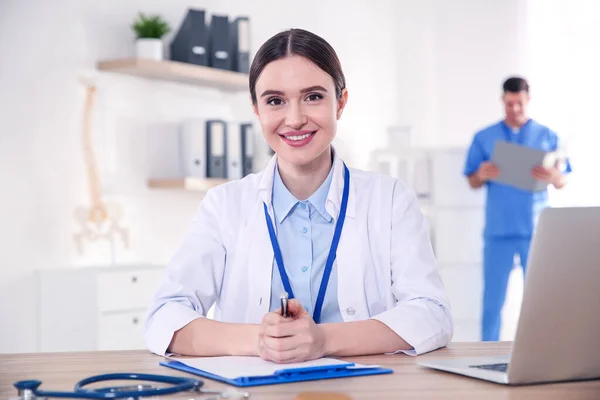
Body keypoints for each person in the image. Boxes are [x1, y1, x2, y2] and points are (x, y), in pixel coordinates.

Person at [145, 28, 453, 363]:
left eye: (313, 97)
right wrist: (260, 340)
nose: (294, 120)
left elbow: (432, 314)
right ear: (256, 109)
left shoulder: (390, 200)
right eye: (275, 101)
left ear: (341, 102)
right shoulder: (224, 206)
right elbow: (164, 317)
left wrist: (322, 340)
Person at [463, 77, 572, 342]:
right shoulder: (484, 137)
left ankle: (545, 349)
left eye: (519, 104)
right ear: (503, 101)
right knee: (492, 301)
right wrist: (482, 173)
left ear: (528, 101)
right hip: (498, 231)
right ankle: (486, 352)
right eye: (510, 104)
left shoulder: (548, 136)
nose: (514, 109)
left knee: (541, 297)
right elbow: (472, 181)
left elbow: (563, 180)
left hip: (535, 231)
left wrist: (553, 176)